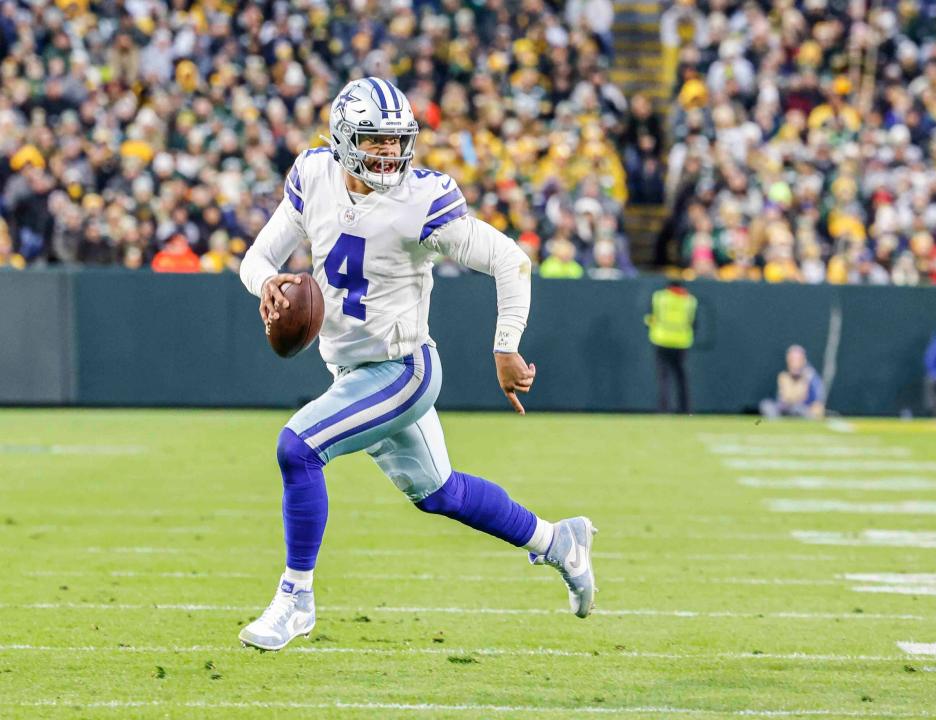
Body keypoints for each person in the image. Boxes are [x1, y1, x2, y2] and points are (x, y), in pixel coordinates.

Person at [237, 78, 598, 652]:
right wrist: (269, 282)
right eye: (374, 141)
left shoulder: (422, 199)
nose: (387, 153)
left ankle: (296, 599)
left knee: (298, 448)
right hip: (352, 371)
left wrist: (505, 345)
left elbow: (510, 259)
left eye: (395, 141)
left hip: (403, 370)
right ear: (342, 139)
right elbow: (257, 257)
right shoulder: (314, 175)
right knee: (439, 493)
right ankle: (560, 541)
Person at [645, 280, 697, 413]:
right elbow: (694, 322)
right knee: (681, 377)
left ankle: (664, 408)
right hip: (682, 341)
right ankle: (685, 409)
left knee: (663, 377)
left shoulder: (659, 297)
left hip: (661, 339)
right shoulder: (690, 300)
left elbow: (649, 318)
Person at [759, 345, 826, 419]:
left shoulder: (811, 377)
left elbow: (817, 401)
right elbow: (782, 399)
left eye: (797, 359)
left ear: (803, 360)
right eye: (792, 360)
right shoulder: (784, 376)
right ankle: (778, 424)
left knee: (797, 409)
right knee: (766, 405)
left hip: (802, 410)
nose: (794, 363)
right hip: (785, 409)